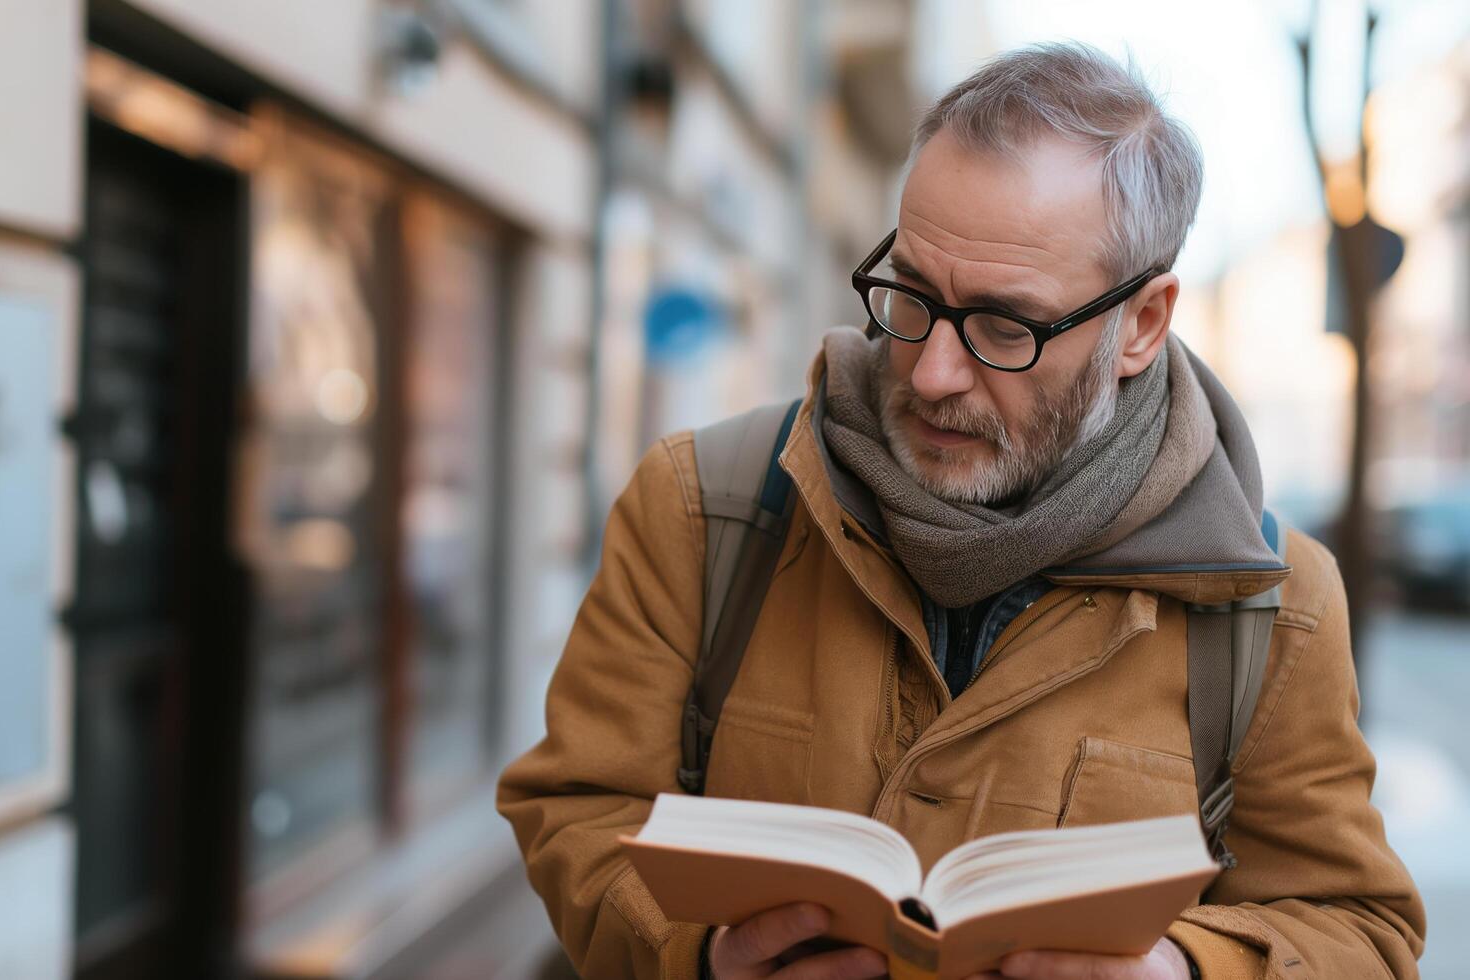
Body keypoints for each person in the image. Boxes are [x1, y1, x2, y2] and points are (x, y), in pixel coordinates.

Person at [497, 42, 1425, 979]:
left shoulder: (1277, 604)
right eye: (910, 294)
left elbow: (1362, 930)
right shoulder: (706, 506)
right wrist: (696, 957)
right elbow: (577, 807)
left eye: (1002, 326)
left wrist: (1180, 973)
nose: (934, 373)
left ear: (1140, 324)